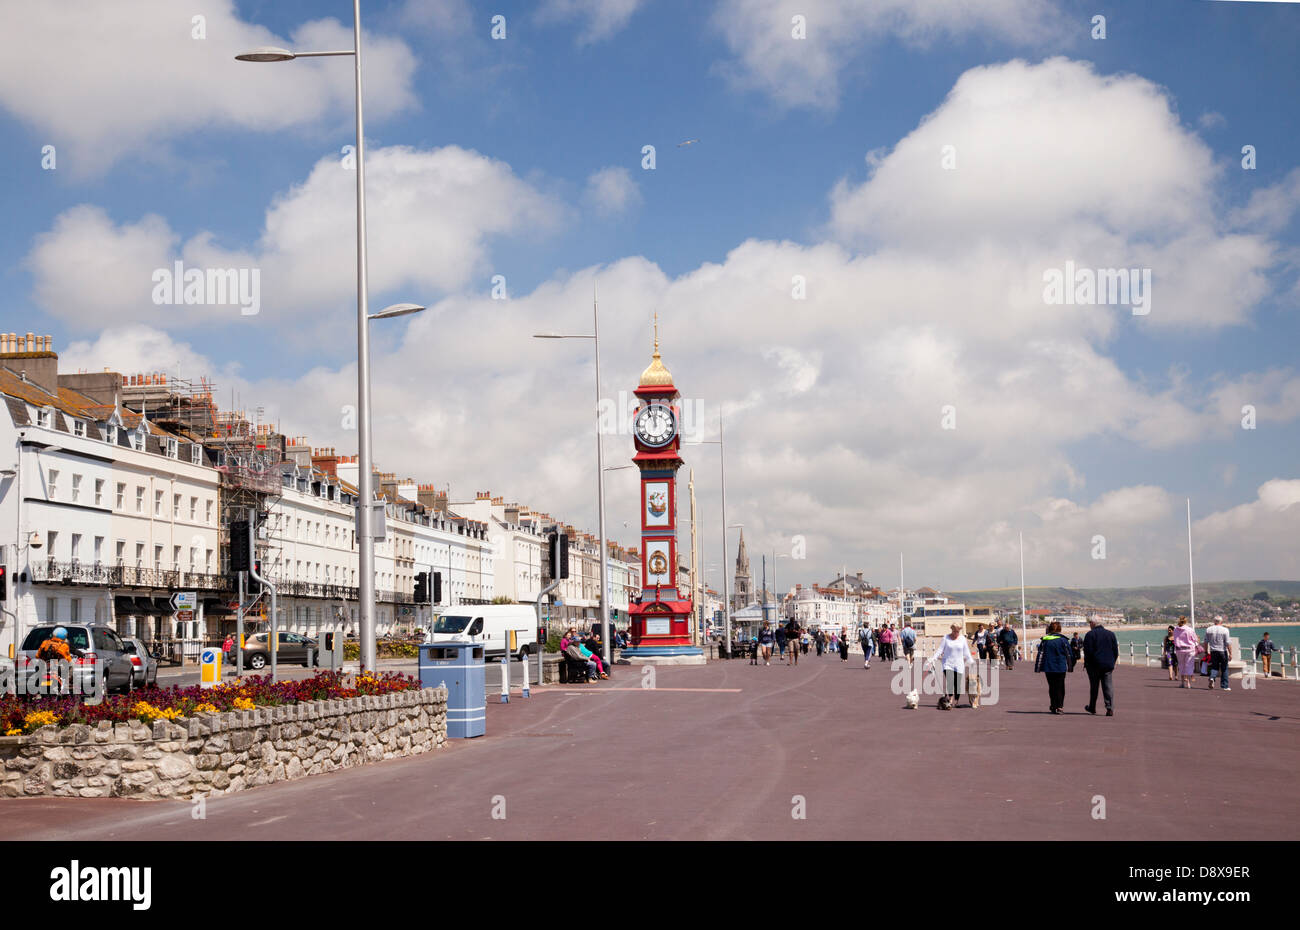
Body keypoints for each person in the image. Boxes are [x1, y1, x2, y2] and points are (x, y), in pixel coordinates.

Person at [1035, 620, 1075, 714]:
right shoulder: (1063, 640)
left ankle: (1053, 705)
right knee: (1060, 687)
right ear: (1060, 629)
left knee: (1052, 687)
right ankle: (1060, 706)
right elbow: (1069, 654)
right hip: (1060, 667)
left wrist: (1038, 667)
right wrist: (1070, 666)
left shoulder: (1045, 641)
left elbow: (1040, 654)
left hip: (1048, 667)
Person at [930, 623, 974, 709]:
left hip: (959, 664)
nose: (956, 633)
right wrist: (934, 658)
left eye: (958, 631)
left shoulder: (962, 639)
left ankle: (956, 701)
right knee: (950, 681)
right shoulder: (946, 638)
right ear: (952, 630)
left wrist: (971, 660)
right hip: (947, 663)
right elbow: (940, 649)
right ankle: (950, 700)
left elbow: (966, 651)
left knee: (957, 684)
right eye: (954, 631)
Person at [1082, 617, 1118, 716]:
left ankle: (1092, 707)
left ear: (1093, 623)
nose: (1089, 624)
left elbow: (1087, 651)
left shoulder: (1090, 634)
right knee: (1108, 686)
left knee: (1094, 687)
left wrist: (1087, 663)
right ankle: (1109, 708)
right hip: (1107, 665)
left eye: (1090, 622)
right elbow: (1115, 651)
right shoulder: (1110, 634)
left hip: (1094, 665)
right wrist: (1112, 662)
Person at [1203, 615, 1232, 692]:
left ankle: (1212, 677)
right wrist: (1230, 653)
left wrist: (1206, 651)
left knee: (1214, 667)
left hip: (1213, 651)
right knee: (1224, 668)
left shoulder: (1209, 629)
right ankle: (1225, 686)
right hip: (1222, 651)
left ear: (1214, 621)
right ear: (1221, 622)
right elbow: (1228, 643)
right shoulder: (1225, 630)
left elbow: (1205, 642)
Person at [1172, 616, 1198, 689]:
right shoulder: (1189, 630)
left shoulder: (1175, 630)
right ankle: (1189, 683)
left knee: (1181, 666)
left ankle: (1182, 683)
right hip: (1189, 650)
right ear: (1186, 621)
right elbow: (1195, 639)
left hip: (1179, 650)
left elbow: (1174, 639)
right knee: (1189, 666)